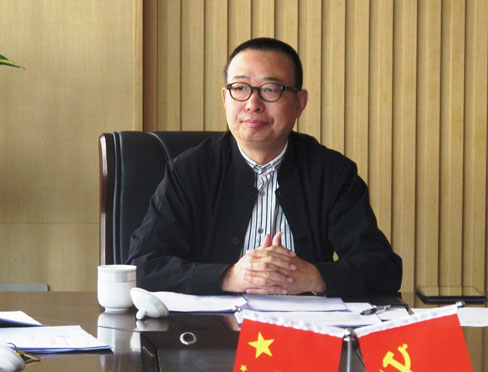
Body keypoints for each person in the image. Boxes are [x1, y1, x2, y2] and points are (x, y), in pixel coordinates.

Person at [127, 37, 402, 297]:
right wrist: (228, 277)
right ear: (225, 98)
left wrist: (314, 276)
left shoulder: (332, 173)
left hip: (304, 326)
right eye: (240, 88)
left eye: (270, 89)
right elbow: (142, 266)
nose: (252, 104)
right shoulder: (190, 171)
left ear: (299, 103)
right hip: (211, 328)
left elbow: (383, 268)